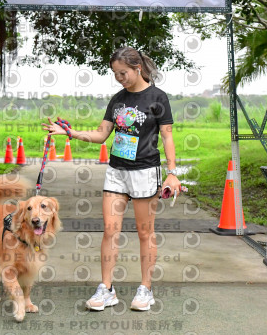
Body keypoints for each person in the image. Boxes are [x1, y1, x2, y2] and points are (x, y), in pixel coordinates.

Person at [42, 46, 182, 311]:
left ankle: (145, 289)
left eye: (123, 73)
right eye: (116, 74)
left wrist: (172, 173)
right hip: (116, 172)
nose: (120, 78)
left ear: (137, 68)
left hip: (144, 172)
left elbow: (167, 137)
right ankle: (107, 289)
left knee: (144, 233)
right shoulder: (117, 100)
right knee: (109, 230)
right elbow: (101, 134)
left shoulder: (157, 97)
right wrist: (69, 133)